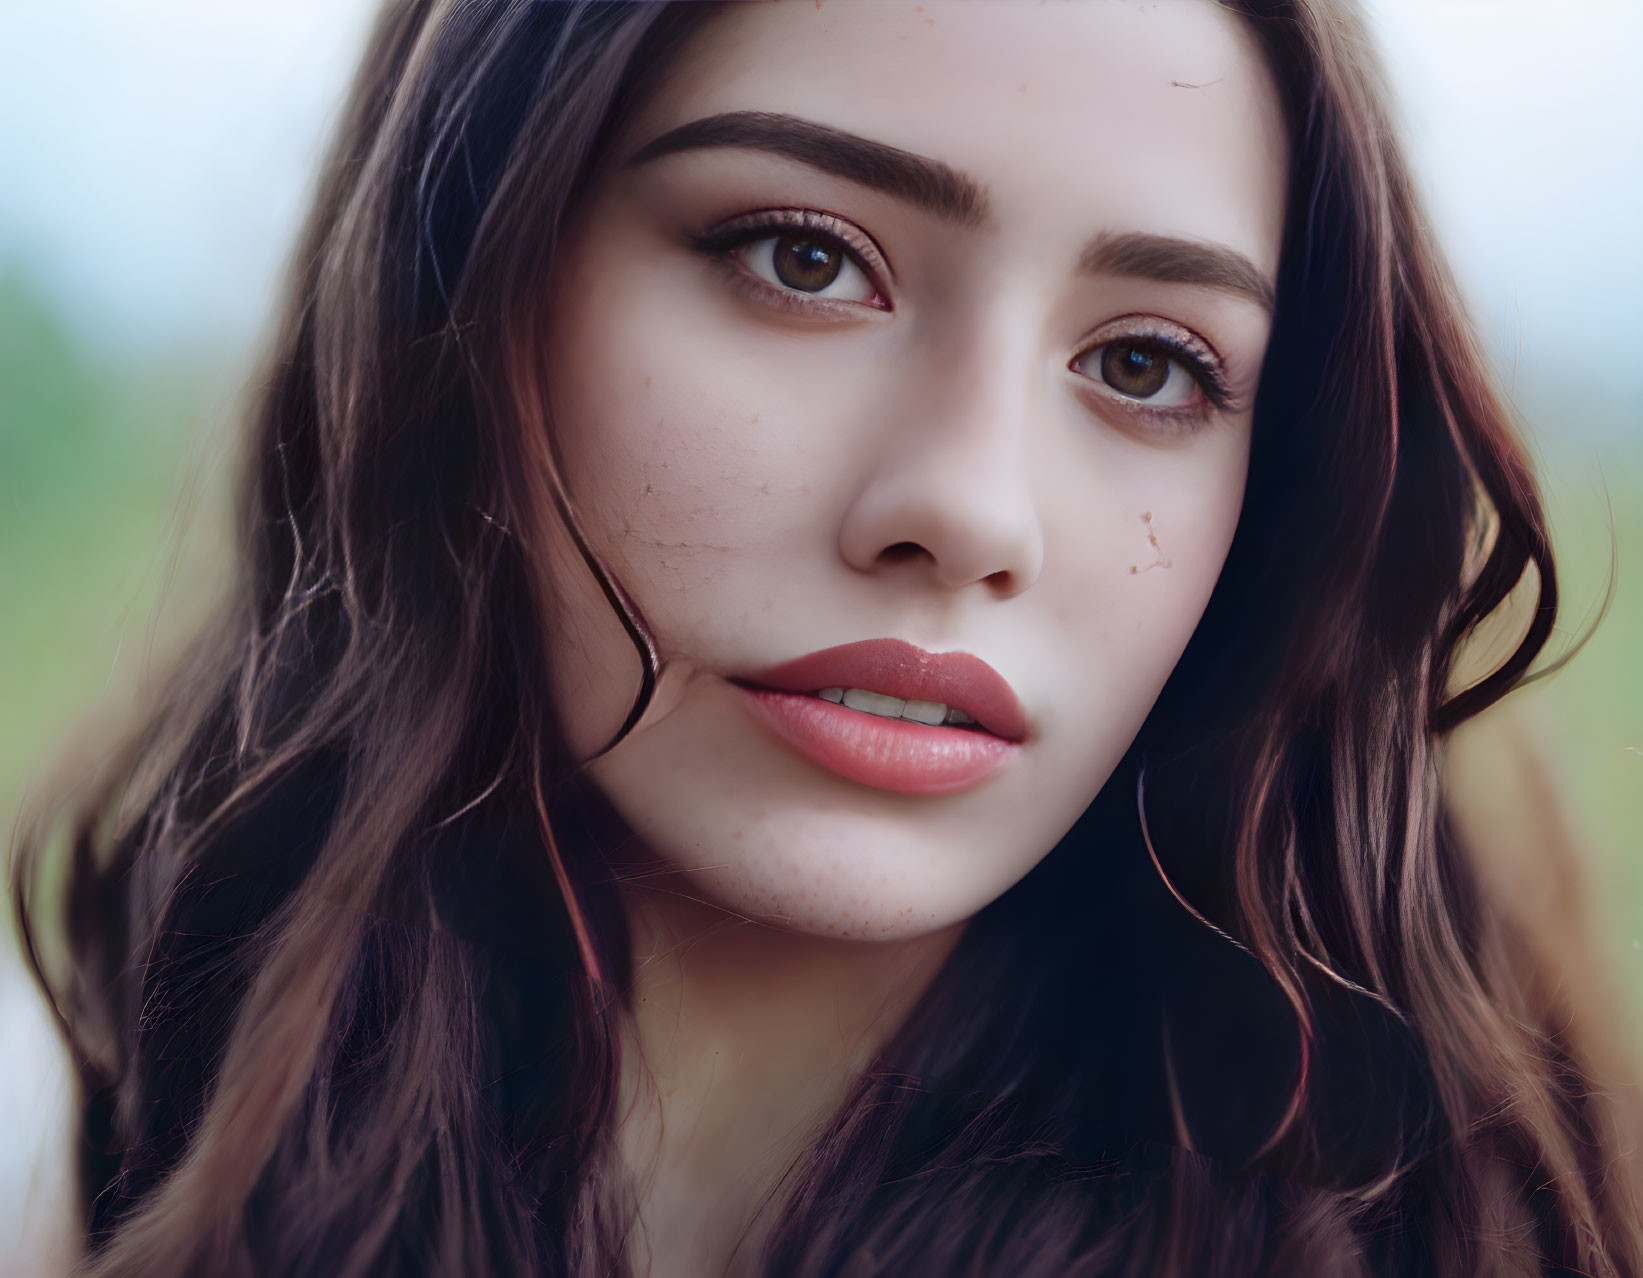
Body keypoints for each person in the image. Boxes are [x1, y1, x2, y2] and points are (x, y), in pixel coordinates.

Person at [10, 1, 1642, 1274]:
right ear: (469, 280)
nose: (971, 509)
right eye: (805, 260)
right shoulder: (52, 1145)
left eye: (1147, 365)